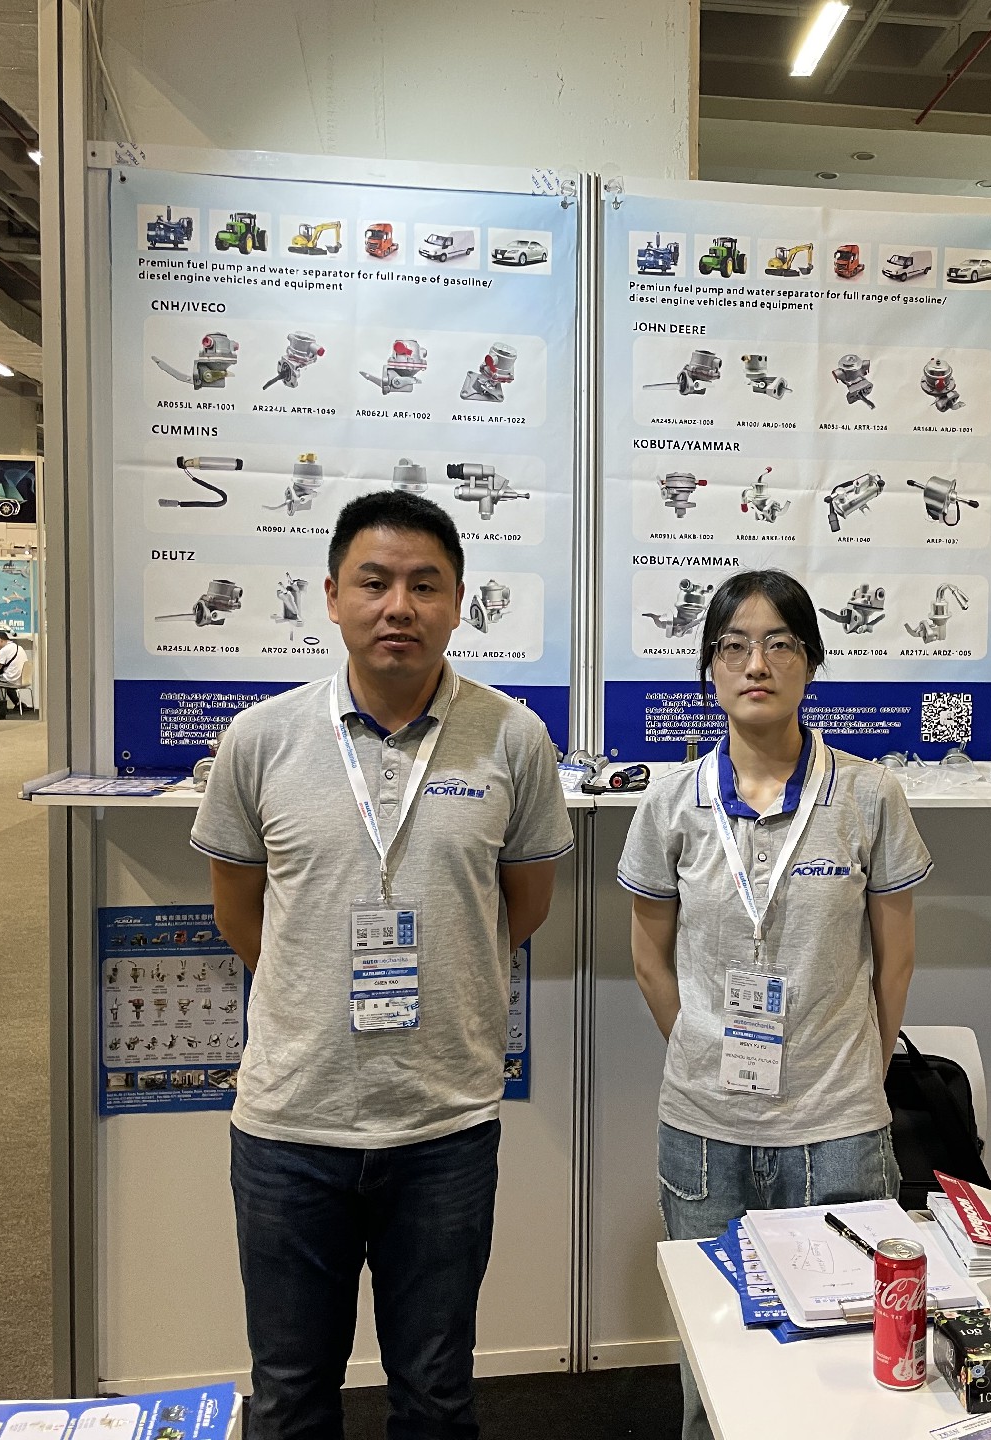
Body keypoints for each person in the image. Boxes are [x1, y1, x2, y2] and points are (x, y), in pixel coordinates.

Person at [191, 489, 573, 1440]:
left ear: (458, 602)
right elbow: (239, 912)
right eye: (374, 582)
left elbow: (523, 907)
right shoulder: (262, 738)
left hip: (444, 1125)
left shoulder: (513, 739)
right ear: (332, 597)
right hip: (290, 1125)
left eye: (424, 585)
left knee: (436, 1398)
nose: (398, 606)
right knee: (289, 1398)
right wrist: (315, 986)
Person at [617, 569, 931, 1440]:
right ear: (710, 668)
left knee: (847, 1371)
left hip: (838, 1131)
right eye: (733, 646)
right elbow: (648, 958)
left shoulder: (868, 795)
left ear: (811, 662)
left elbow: (896, 962)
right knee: (716, 1365)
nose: (756, 664)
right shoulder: (671, 802)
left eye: (779, 644)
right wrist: (702, 1052)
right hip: (704, 1133)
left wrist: (857, 1075)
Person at [0, 631, 28, 712]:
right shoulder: (19, 647)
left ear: (0, 640)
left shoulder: (4, 650)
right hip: (22, 679)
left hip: (11, 679)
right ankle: (17, 703)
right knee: (3, 680)